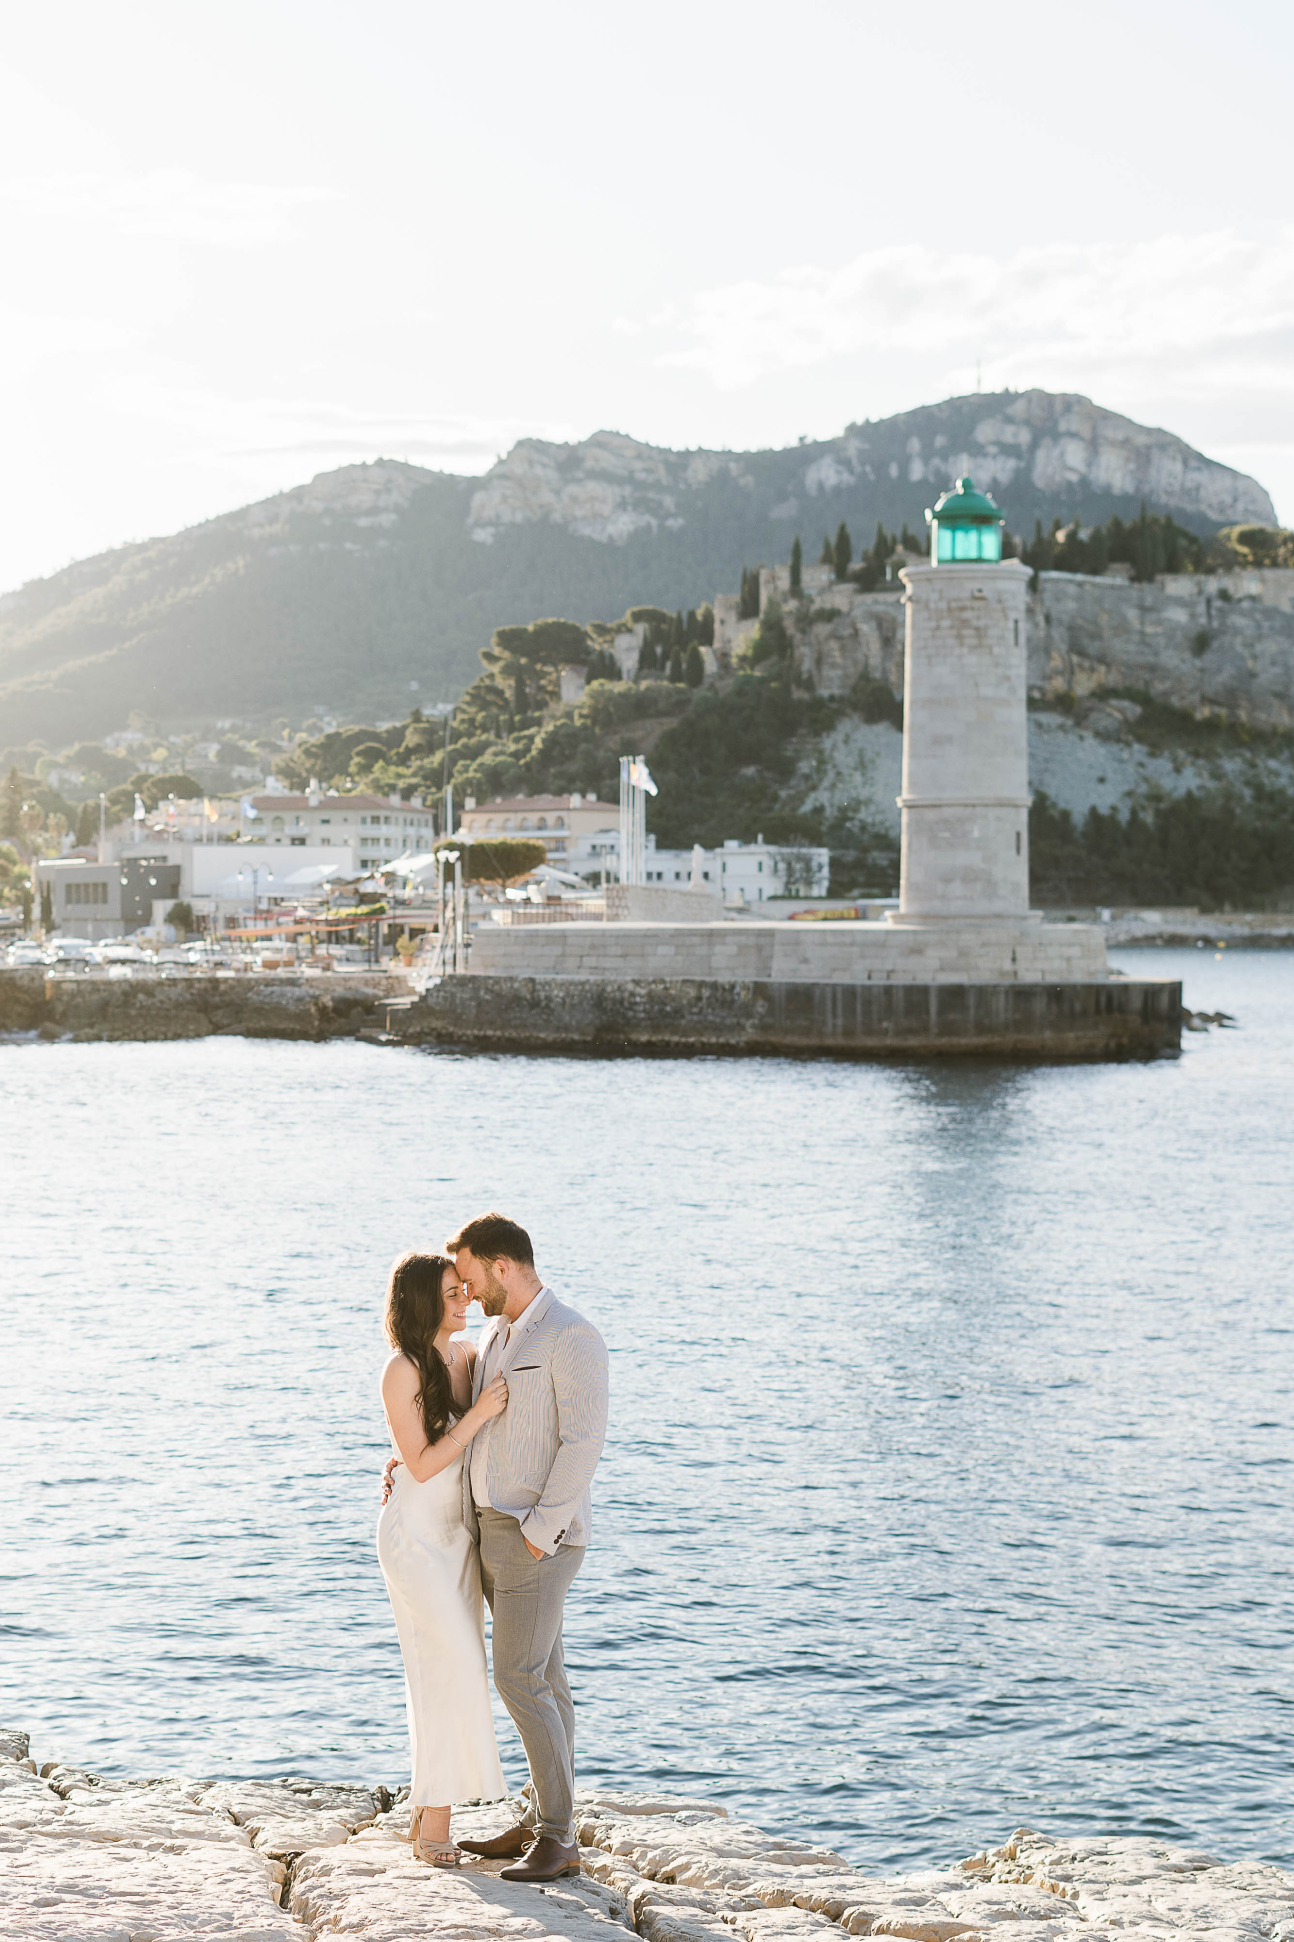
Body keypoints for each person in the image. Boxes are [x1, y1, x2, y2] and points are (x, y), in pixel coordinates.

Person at [383, 1212, 609, 1884]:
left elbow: (584, 1444)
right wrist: (400, 1463)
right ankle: (543, 1817)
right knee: (546, 1678)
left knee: (518, 1679)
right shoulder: (493, 1338)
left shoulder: (572, 1335)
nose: (469, 1293)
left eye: (472, 1279)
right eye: (456, 1287)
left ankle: (558, 1836)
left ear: (501, 1267)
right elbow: (440, 1425)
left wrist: (541, 1533)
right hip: (475, 1536)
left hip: (532, 1538)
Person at [376, 1250, 509, 1866]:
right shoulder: (400, 1370)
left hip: (459, 1535)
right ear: (425, 1301)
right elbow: (424, 1465)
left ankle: (428, 1811)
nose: (465, 1300)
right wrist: (479, 1416)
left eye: (464, 1290)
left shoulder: (467, 1356)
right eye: (452, 1294)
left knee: (457, 1670)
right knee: (444, 1666)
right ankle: (435, 1825)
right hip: (416, 1536)